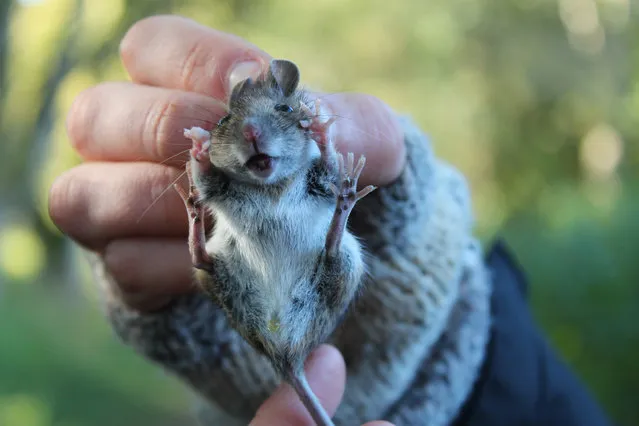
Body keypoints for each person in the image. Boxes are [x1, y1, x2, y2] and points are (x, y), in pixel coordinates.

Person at [47, 15, 614, 426]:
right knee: (218, 255)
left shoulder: (310, 151)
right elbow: (218, 189)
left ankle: (346, 245)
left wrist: (438, 327)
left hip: (313, 303)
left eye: (277, 118)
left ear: (299, 120)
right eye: (236, 124)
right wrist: (200, 173)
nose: (252, 131)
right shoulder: (222, 172)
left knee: (345, 251)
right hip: (267, 304)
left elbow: (316, 171)